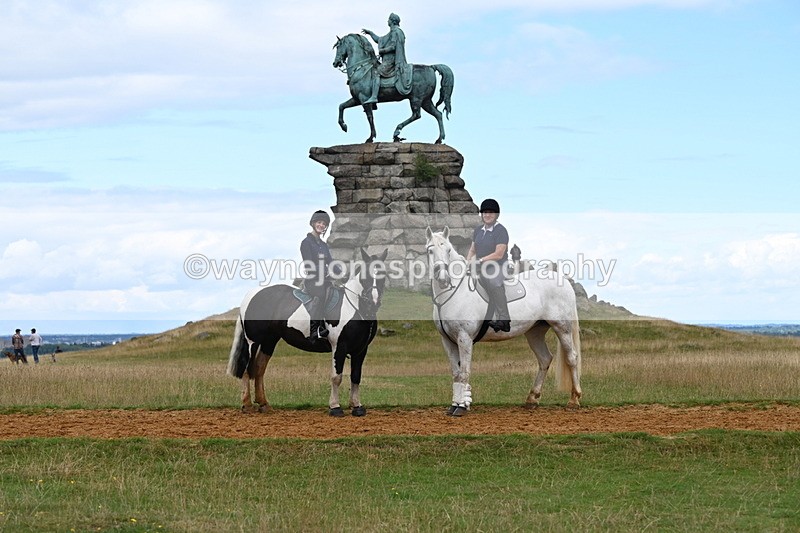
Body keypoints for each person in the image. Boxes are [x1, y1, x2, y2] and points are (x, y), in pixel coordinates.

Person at [467, 199, 511, 332]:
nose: (487, 215)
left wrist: (480, 261)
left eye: (491, 213)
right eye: (485, 212)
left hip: (499, 265)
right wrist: (467, 262)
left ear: (496, 215)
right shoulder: (478, 231)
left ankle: (504, 320)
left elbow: (498, 254)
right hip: (481, 266)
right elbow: (472, 250)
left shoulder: (501, 231)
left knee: (494, 282)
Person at [300, 210, 337, 341]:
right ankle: (314, 330)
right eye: (319, 222)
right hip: (312, 281)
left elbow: (331, 262)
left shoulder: (323, 245)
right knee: (321, 295)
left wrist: (342, 271)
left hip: (325, 281)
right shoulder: (306, 243)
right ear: (313, 223)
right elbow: (309, 265)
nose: (321, 225)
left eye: (324, 224)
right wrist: (325, 271)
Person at [361, 13, 413, 103]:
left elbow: (393, 47)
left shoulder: (395, 32)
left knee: (376, 72)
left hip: (391, 61)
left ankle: (374, 96)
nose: (387, 21)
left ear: (392, 21)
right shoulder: (392, 32)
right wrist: (370, 33)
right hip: (388, 60)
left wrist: (383, 51)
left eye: (388, 19)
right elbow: (379, 39)